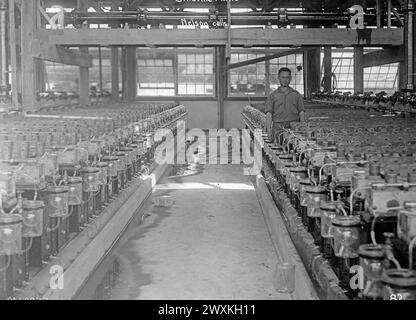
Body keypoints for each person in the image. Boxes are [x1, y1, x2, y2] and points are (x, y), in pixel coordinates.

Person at [265, 67, 305, 144]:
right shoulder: (273, 95)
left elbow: (301, 112)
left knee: (295, 150)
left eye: (287, 77)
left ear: (290, 78)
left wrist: (302, 129)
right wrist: (269, 131)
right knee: (278, 150)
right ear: (278, 78)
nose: (285, 80)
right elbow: (269, 114)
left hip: (294, 127)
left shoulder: (296, 94)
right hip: (278, 128)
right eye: (283, 77)